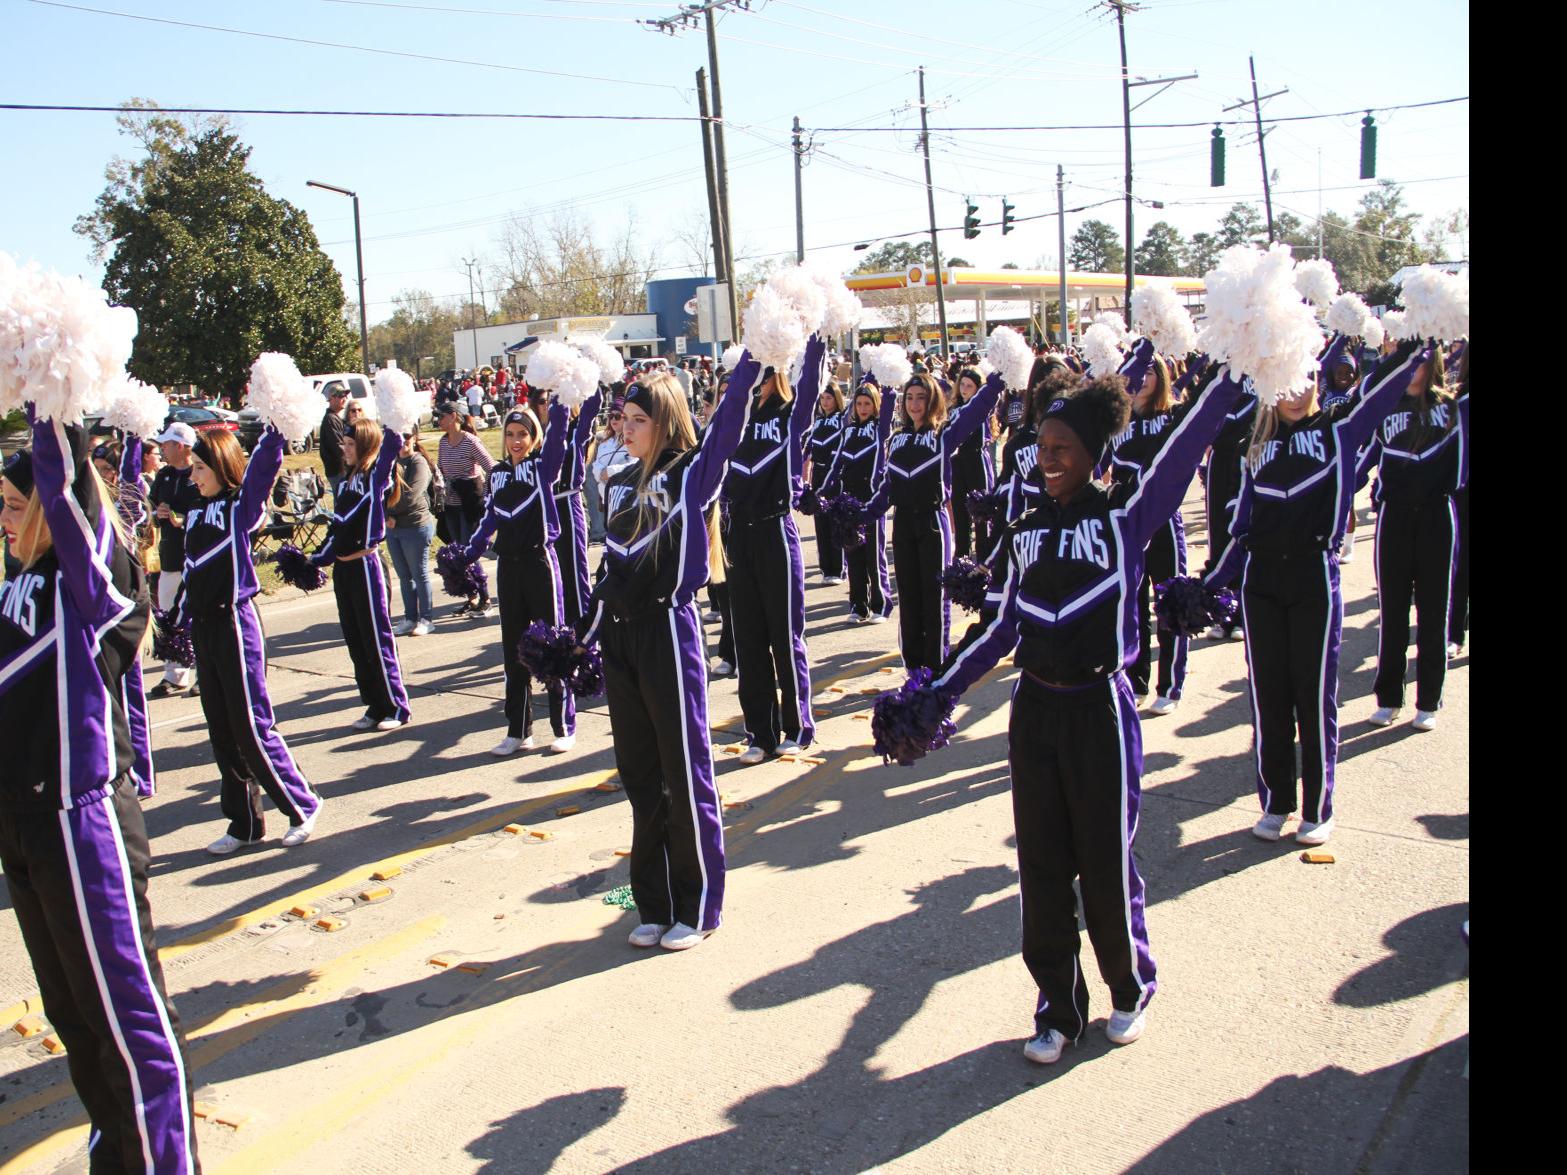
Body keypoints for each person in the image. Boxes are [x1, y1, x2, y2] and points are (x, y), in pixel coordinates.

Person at [927, 365, 1248, 1065]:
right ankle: (1056, 1008)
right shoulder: (1022, 529)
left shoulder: (1122, 517)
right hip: (1034, 709)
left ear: (1094, 456)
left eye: (1062, 447)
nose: (1046, 458)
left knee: (1104, 863)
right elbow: (999, 627)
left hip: (1099, 708)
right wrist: (938, 690)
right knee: (1039, 868)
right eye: (1041, 445)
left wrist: (1231, 374)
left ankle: (1128, 988)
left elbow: (1184, 448)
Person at [2, 414, 201, 1174]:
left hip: (80, 818)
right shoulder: (16, 582)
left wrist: (50, 412)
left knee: (129, 1026)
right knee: (78, 1027)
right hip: (21, 824)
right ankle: (117, 1155)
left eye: (15, 504)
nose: (4, 515)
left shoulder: (96, 587)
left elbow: (67, 487)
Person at [1206, 341, 1433, 845]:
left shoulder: (1337, 428)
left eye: (1307, 380)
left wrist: (1418, 345)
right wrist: (1208, 584)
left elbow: (1377, 393)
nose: (1297, 392)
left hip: (1313, 576)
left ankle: (1317, 807)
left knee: (1313, 696)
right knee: (1269, 697)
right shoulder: (1255, 447)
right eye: (1286, 383)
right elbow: (1241, 527)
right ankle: (1276, 801)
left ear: (1318, 383)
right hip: (1261, 581)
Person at [578, 354, 762, 951]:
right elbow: (612, 572)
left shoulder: (691, 474)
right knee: (639, 775)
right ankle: (651, 902)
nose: (624, 429)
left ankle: (699, 904)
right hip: (622, 638)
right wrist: (576, 640)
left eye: (636, 419)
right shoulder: (621, 484)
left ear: (664, 421)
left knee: (686, 773)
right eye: (621, 418)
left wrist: (753, 360)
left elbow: (730, 424)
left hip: (668, 632)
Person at [175, 427, 324, 855]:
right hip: (204, 625)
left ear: (221, 466)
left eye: (201, 468)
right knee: (221, 728)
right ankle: (244, 823)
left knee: (251, 724)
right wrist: (178, 619)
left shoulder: (239, 508)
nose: (194, 477)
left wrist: (275, 432)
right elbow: (191, 569)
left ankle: (303, 803)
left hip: (235, 623)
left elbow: (260, 475)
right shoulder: (198, 510)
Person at [720, 340, 824, 764]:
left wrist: (813, 341)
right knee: (747, 640)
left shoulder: (789, 416)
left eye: (763, 374)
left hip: (775, 532)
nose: (755, 383)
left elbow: (811, 388)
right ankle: (759, 733)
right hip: (736, 538)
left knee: (784, 635)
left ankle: (798, 726)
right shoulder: (732, 421)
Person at [862, 368, 1002, 672]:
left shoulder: (943, 434)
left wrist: (995, 383)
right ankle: (913, 667)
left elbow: (976, 411)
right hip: (902, 525)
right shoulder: (897, 440)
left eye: (921, 398)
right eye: (909, 398)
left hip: (932, 523)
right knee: (909, 598)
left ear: (932, 400)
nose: (914, 404)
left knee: (934, 598)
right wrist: (864, 514)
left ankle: (935, 667)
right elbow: (888, 488)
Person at [1362, 342, 1468, 731]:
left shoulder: (1451, 408)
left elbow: (1457, 472)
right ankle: (1389, 698)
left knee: (1433, 610)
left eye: (1418, 361)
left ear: (1433, 362)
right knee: (1392, 610)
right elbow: (1364, 460)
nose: (1412, 369)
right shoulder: (1384, 404)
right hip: (1394, 517)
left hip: (1437, 516)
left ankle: (1428, 702)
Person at [462, 401, 577, 756]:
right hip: (508, 569)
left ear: (533, 437)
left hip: (540, 564)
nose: (515, 440)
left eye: (523, 434)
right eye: (510, 434)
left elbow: (558, 438)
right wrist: (467, 554)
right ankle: (518, 730)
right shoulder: (496, 474)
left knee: (553, 646)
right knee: (514, 652)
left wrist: (559, 403)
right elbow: (488, 521)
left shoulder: (544, 468)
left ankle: (563, 726)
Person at [1107, 342, 1194, 714]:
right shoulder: (1117, 421)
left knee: (1171, 600)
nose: (1143, 379)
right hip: (1128, 523)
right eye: (1138, 373)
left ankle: (1171, 685)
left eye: (1150, 372)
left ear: (1162, 377)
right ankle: (1135, 679)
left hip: (1164, 521)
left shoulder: (1174, 415)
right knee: (1132, 604)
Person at [311, 419, 413, 731]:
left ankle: (396, 706)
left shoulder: (373, 477)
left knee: (375, 639)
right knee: (356, 640)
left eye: (351, 444)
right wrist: (313, 560)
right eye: (343, 443)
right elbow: (337, 529)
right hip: (345, 568)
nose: (344, 449)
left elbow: (390, 450)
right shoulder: (347, 480)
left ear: (366, 445)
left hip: (367, 566)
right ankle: (374, 704)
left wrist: (393, 416)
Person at [820, 380, 896, 623]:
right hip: (848, 502)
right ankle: (858, 605)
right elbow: (836, 465)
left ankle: (879, 605)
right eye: (859, 404)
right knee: (853, 556)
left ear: (875, 406)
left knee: (874, 556)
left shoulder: (880, 429)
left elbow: (887, 411)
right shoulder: (848, 430)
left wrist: (889, 386)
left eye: (868, 404)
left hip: (872, 501)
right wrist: (821, 491)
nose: (863, 408)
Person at [147, 421, 204, 695]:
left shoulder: (200, 471)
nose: (162, 449)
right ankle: (175, 673)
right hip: (170, 557)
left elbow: (207, 507)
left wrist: (184, 519)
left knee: (200, 615)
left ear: (181, 446)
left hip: (197, 556)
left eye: (166, 444)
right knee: (170, 614)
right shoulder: (165, 475)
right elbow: (151, 504)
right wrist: (158, 514)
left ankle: (205, 671)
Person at [551, 383, 605, 627]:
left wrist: (593, 378)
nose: (548, 405)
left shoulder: (576, 431)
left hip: (569, 505)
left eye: (552, 400)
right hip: (546, 509)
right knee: (552, 576)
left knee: (575, 574)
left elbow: (591, 409)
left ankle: (584, 634)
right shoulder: (535, 436)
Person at [435, 403, 495, 617]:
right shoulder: (443, 442)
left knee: (470, 552)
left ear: (453, 417)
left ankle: (485, 597)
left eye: (441, 416)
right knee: (458, 551)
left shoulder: (470, 441)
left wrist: (486, 494)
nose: (438, 421)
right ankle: (472, 597)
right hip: (451, 504)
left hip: (469, 505)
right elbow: (441, 469)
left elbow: (492, 468)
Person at [385, 430, 438, 637]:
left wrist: (391, 514)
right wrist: (385, 514)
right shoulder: (390, 462)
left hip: (415, 526)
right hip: (394, 528)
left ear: (414, 438)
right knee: (404, 576)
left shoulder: (419, 463)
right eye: (400, 437)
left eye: (408, 437)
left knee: (419, 573)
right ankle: (410, 618)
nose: (404, 442)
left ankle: (426, 618)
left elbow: (412, 496)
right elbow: (380, 490)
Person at [948, 368, 999, 560]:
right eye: (962, 384)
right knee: (961, 519)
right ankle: (962, 564)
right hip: (957, 465)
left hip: (977, 464)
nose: (964, 389)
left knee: (981, 518)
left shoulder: (981, 409)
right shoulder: (953, 410)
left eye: (970, 386)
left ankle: (985, 563)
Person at [804, 380, 847, 585]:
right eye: (822, 398)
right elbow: (807, 450)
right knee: (820, 522)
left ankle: (838, 568)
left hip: (836, 475)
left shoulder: (842, 420)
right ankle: (826, 568)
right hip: (818, 474)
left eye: (829, 398)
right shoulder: (818, 422)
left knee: (835, 521)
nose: (825, 401)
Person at [319, 383, 351, 485]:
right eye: (341, 395)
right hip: (338, 471)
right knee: (342, 500)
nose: (344, 398)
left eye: (345, 396)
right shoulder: (330, 419)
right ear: (331, 398)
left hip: (342, 470)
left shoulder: (336, 418)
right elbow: (339, 446)